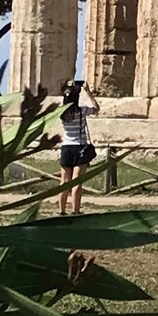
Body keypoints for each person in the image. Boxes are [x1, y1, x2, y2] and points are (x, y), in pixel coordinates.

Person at [55, 77, 97, 215]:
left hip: (66, 147)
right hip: (80, 147)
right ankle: (76, 211)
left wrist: (67, 88)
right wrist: (88, 92)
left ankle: (61, 211)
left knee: (64, 182)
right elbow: (96, 109)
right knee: (77, 182)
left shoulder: (62, 113)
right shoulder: (82, 111)